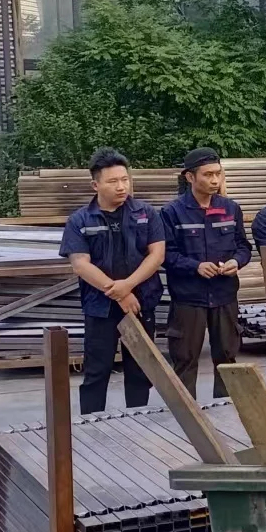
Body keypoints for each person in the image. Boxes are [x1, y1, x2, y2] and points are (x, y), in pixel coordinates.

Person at [59, 149, 167, 417]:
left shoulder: (146, 214)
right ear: (95, 185)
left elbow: (157, 255)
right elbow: (80, 264)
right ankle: (91, 424)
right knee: (96, 371)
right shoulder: (80, 220)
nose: (121, 187)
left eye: (125, 179)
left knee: (140, 369)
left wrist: (128, 286)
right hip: (100, 308)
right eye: (113, 181)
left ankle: (138, 422)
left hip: (141, 303)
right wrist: (120, 293)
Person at [161, 148, 251, 401]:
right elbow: (165, 254)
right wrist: (195, 266)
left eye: (218, 174)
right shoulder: (172, 212)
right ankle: (184, 414)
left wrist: (236, 261)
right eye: (208, 175)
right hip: (189, 298)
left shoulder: (230, 209)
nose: (215, 180)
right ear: (190, 177)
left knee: (227, 359)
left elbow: (243, 247)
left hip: (225, 296)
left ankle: (227, 410)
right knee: (185, 359)